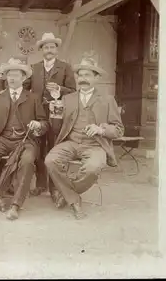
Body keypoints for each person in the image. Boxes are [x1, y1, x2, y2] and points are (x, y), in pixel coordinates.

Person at [44, 57, 124, 220]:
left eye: (87, 75)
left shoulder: (107, 100)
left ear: (96, 78)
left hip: (95, 145)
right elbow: (56, 128)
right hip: (71, 143)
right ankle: (73, 199)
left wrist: (101, 129)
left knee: (93, 168)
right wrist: (54, 115)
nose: (83, 79)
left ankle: (67, 195)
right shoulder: (68, 99)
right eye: (80, 76)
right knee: (50, 161)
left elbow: (119, 130)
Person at [0, 58, 49, 220]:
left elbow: (45, 123)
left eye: (16, 75)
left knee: (27, 161)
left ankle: (16, 204)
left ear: (23, 78)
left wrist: (37, 124)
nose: (12, 78)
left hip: (26, 141)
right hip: (2, 138)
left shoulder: (33, 98)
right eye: (9, 75)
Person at [25, 32, 77, 200]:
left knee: (54, 149)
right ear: (41, 49)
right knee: (39, 149)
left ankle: (55, 188)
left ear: (56, 49)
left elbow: (73, 91)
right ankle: (40, 185)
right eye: (46, 47)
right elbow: (25, 88)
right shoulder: (34, 68)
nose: (49, 50)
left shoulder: (65, 67)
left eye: (52, 47)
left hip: (57, 115)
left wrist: (60, 89)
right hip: (38, 114)